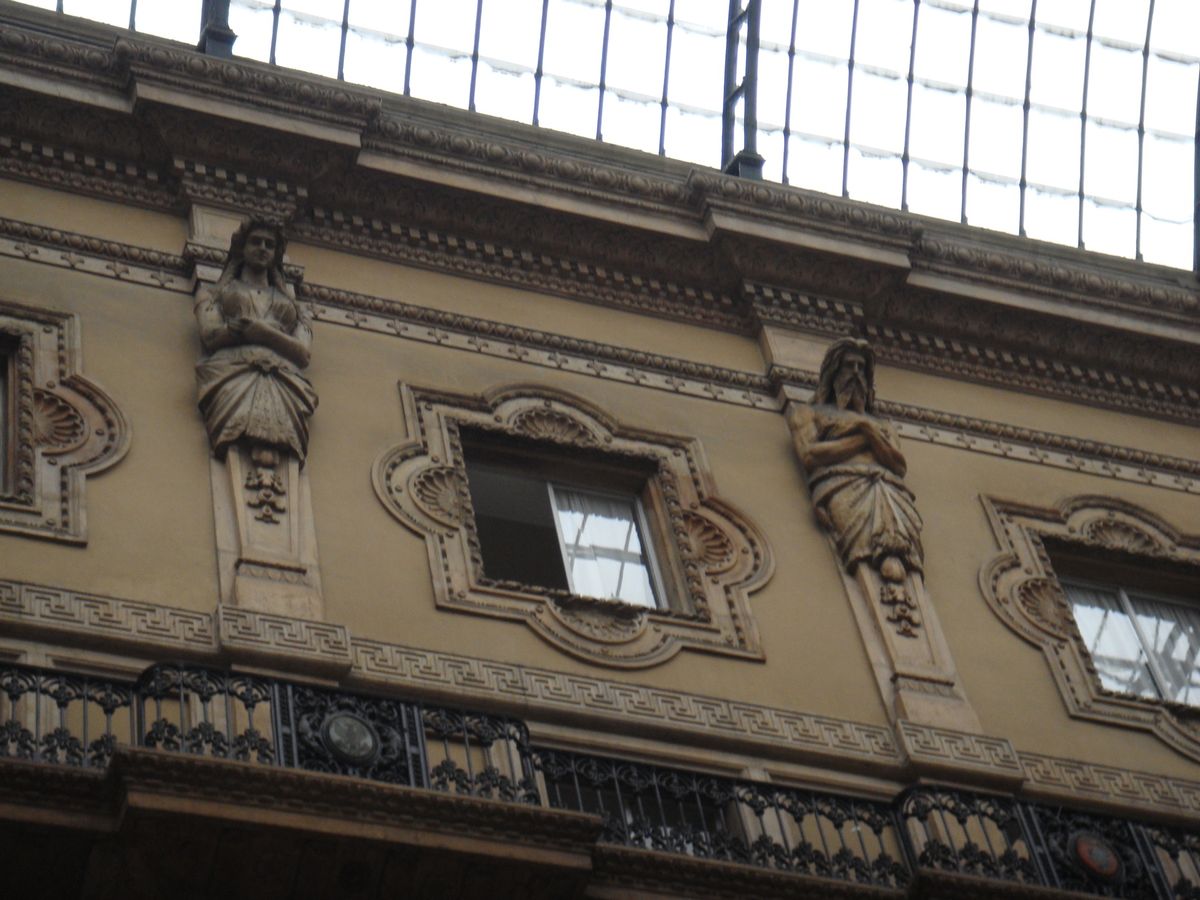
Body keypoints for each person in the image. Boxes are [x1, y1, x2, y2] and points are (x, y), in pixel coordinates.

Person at [786, 338, 923, 586]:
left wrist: (866, 431)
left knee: (898, 550)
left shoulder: (882, 424)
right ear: (834, 372)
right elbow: (810, 455)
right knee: (862, 552)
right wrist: (866, 436)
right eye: (849, 366)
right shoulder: (808, 413)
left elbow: (898, 465)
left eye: (862, 368)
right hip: (842, 488)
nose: (856, 373)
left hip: (889, 491)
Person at [195, 220, 317, 462]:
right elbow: (209, 336)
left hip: (284, 378)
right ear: (241, 248)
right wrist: (236, 332)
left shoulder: (297, 309)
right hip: (231, 372)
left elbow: (303, 354)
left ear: (276, 255)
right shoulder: (212, 295)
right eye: (255, 242)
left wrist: (262, 332)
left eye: (269, 245)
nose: (263, 248)